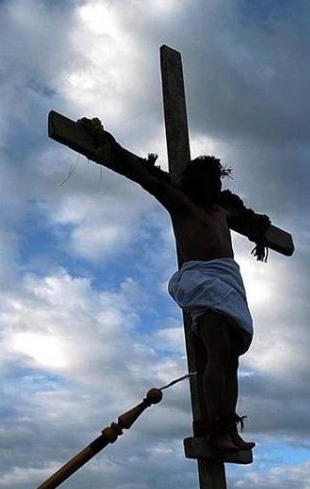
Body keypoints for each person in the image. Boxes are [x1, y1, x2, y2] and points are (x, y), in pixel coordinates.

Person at [80, 119, 273, 451]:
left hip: (229, 280)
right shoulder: (182, 204)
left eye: (218, 181)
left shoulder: (223, 211)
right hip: (201, 281)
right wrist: (107, 142)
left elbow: (252, 220)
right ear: (197, 183)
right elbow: (145, 176)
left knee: (233, 359)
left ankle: (229, 425)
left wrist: (261, 230)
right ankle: (214, 429)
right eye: (209, 181)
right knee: (218, 351)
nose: (214, 186)